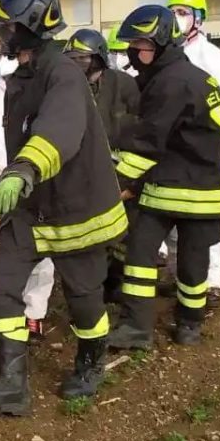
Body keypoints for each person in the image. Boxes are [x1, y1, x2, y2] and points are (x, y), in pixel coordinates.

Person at [0, 0, 127, 417]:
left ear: (31, 26)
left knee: (85, 298)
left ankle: (90, 363)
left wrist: (22, 171)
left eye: (7, 28)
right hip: (32, 211)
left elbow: (59, 131)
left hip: (78, 210)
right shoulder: (22, 78)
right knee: (0, 287)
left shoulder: (64, 74)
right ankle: (11, 383)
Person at [108, 5, 220, 349]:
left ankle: (190, 323)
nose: (132, 52)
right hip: (173, 178)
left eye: (139, 45)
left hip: (202, 186)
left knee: (192, 261)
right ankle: (137, 327)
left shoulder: (174, 83)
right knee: (139, 252)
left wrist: (112, 186)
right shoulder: (173, 75)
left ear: (162, 45)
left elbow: (147, 143)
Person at [0, 38, 53, 339]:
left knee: (42, 252)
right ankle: (13, 313)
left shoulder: (42, 89)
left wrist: (29, 173)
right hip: (6, 185)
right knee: (13, 252)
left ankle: (34, 314)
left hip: (37, 179)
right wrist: (12, 179)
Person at [62, 29, 142, 302]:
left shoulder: (123, 84)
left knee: (124, 233)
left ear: (99, 58)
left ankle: (118, 283)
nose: (79, 65)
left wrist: (131, 181)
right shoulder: (66, 88)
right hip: (84, 171)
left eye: (84, 59)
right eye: (73, 59)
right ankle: (96, 283)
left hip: (123, 171)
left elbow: (142, 130)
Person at [165, 0, 220, 302]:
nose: (177, 17)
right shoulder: (168, 53)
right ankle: (180, 276)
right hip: (171, 145)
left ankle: (212, 280)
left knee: (206, 219)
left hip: (201, 145)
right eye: (174, 11)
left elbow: (212, 103)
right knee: (172, 216)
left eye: (183, 11)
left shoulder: (212, 58)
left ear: (199, 19)